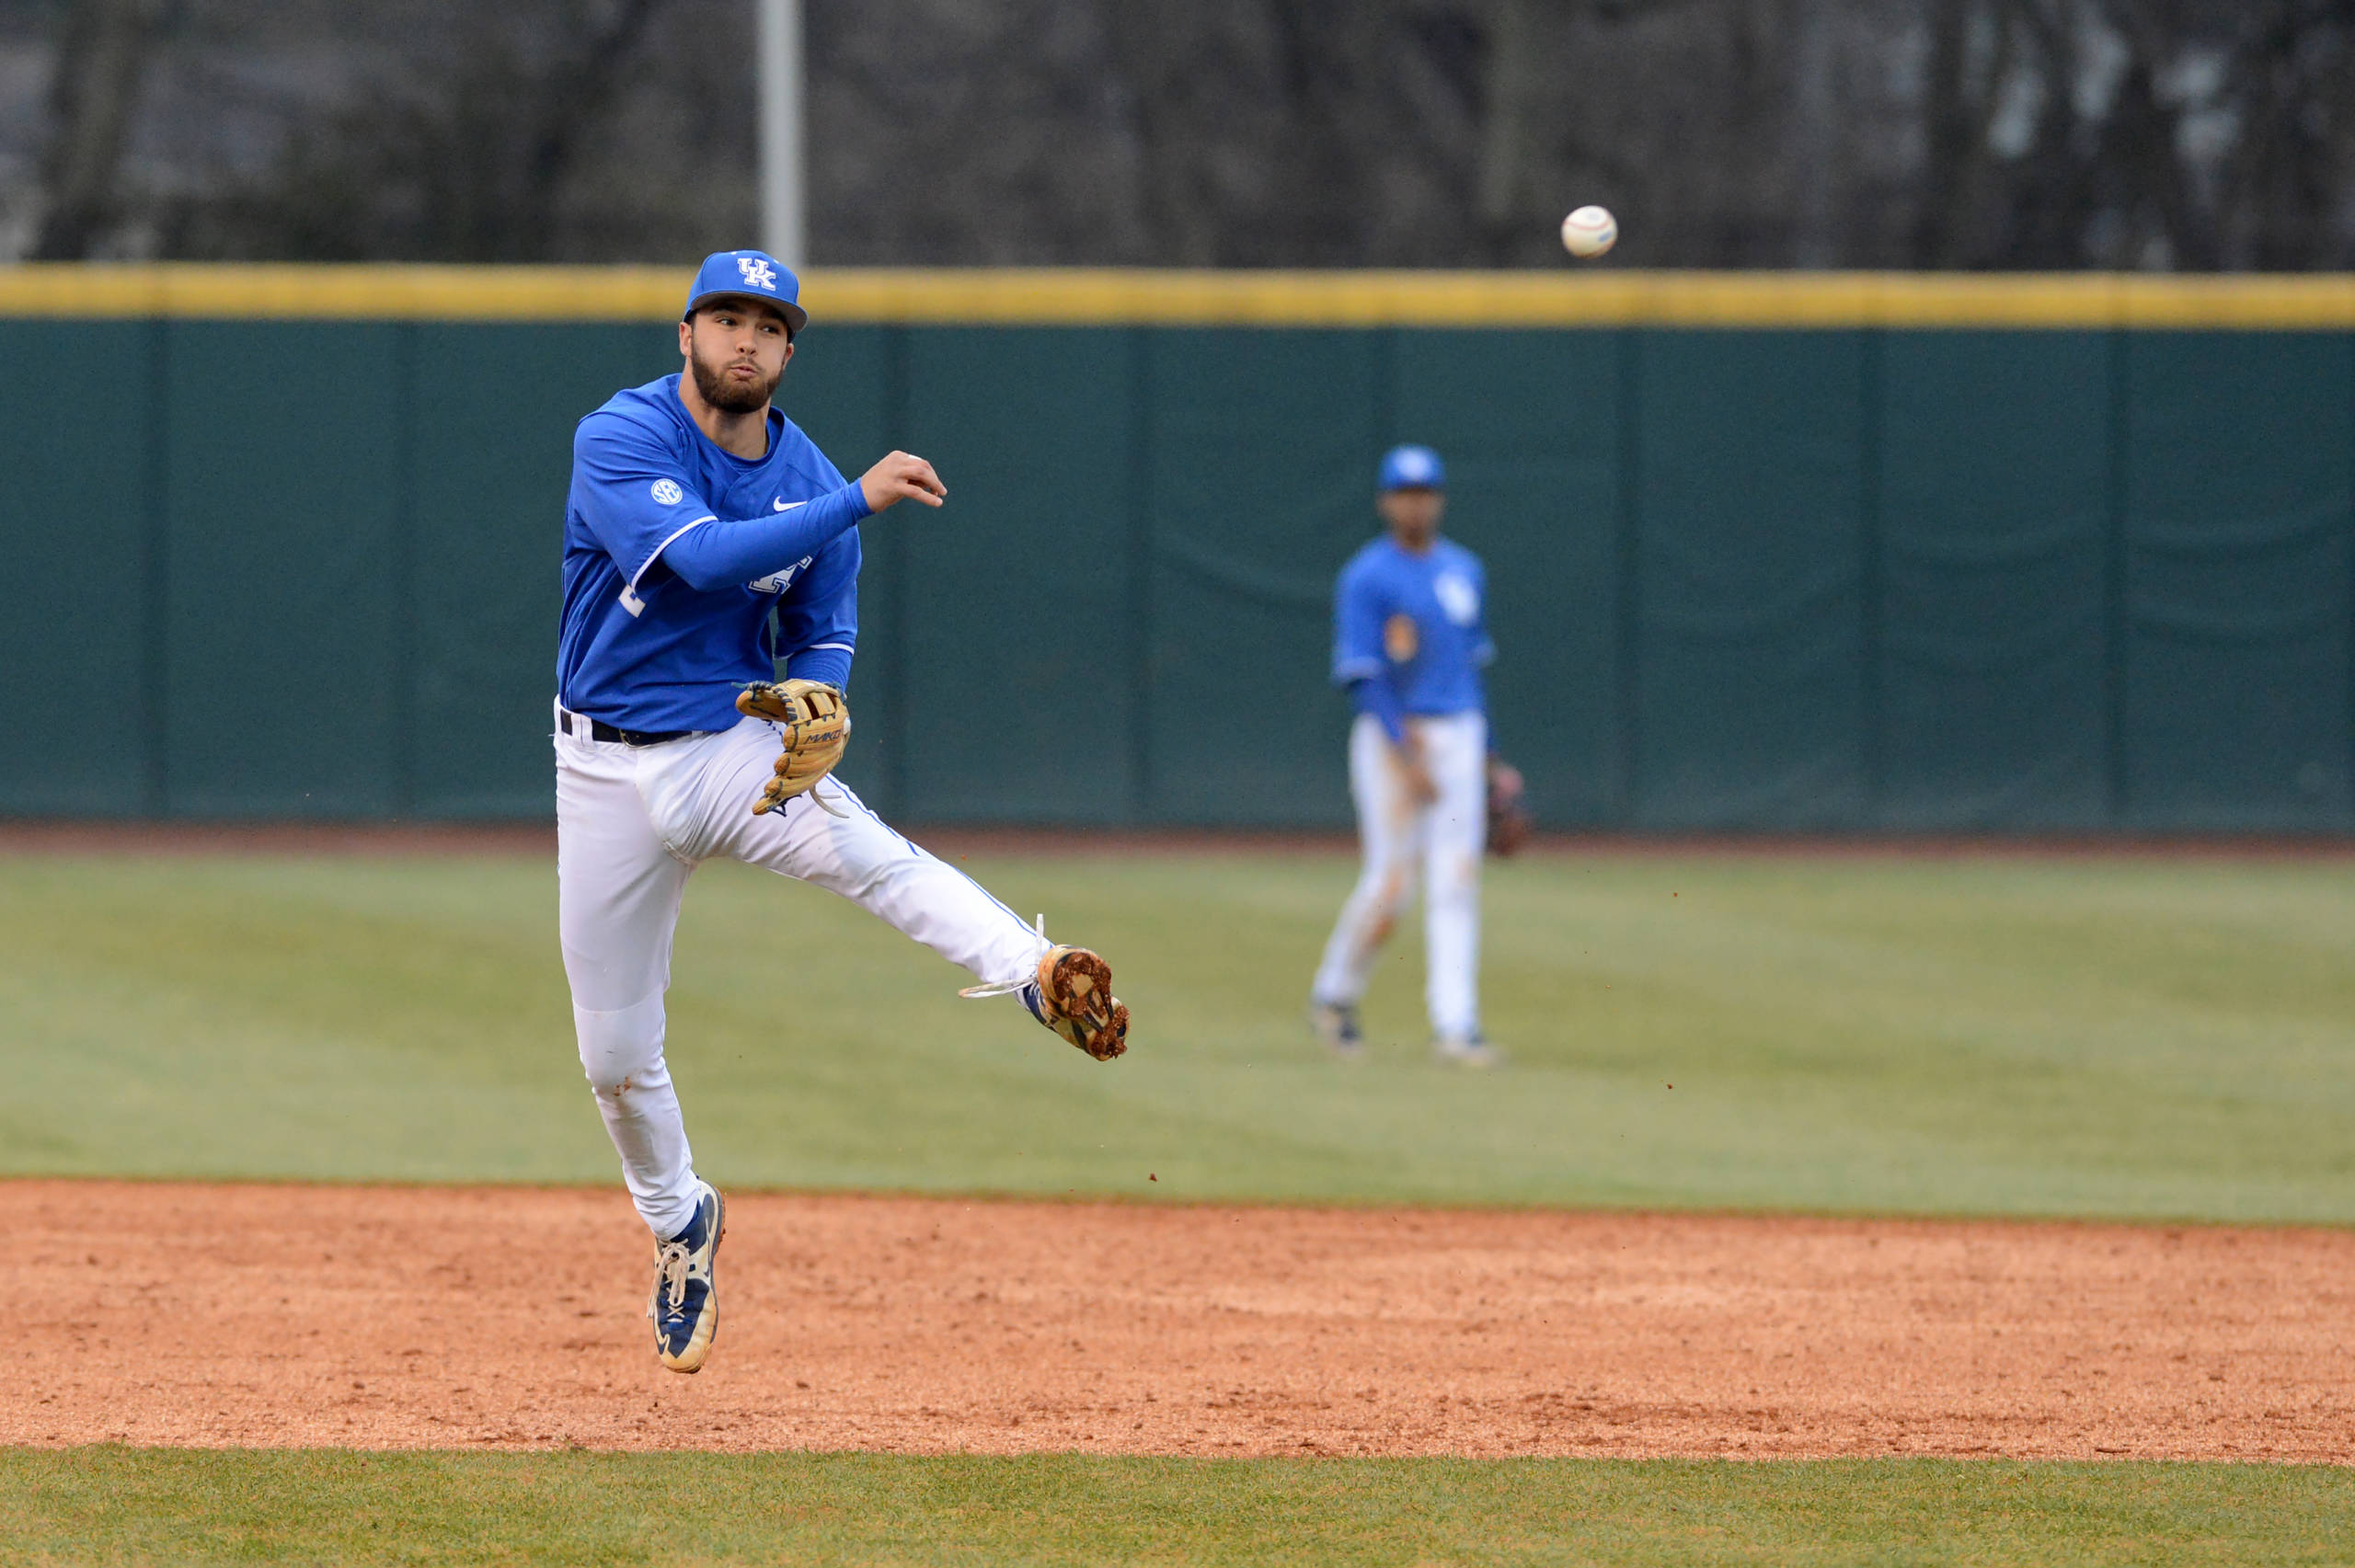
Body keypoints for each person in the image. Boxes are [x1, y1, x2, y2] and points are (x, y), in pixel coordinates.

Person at [555, 250, 1130, 1375]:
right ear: (686, 333)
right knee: (614, 1056)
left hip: (730, 748)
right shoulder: (620, 436)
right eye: (726, 318)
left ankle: (1034, 968)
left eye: (770, 326)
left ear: (787, 351)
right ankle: (681, 1223)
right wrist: (852, 498)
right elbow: (710, 562)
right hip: (602, 773)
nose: (746, 341)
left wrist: (820, 690)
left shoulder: (810, 476)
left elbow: (824, 622)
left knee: (865, 851)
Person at [1308, 443, 1500, 1068]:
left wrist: (1491, 756)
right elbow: (1363, 675)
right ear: (1386, 501)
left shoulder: (1464, 570)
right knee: (1391, 884)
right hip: (1395, 736)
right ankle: (1334, 995)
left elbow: (1470, 670)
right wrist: (1403, 749)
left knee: (1456, 880)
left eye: (1426, 491)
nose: (1416, 502)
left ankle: (1456, 1024)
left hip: (1460, 732)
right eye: (1405, 491)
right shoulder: (1367, 576)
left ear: (1438, 499)